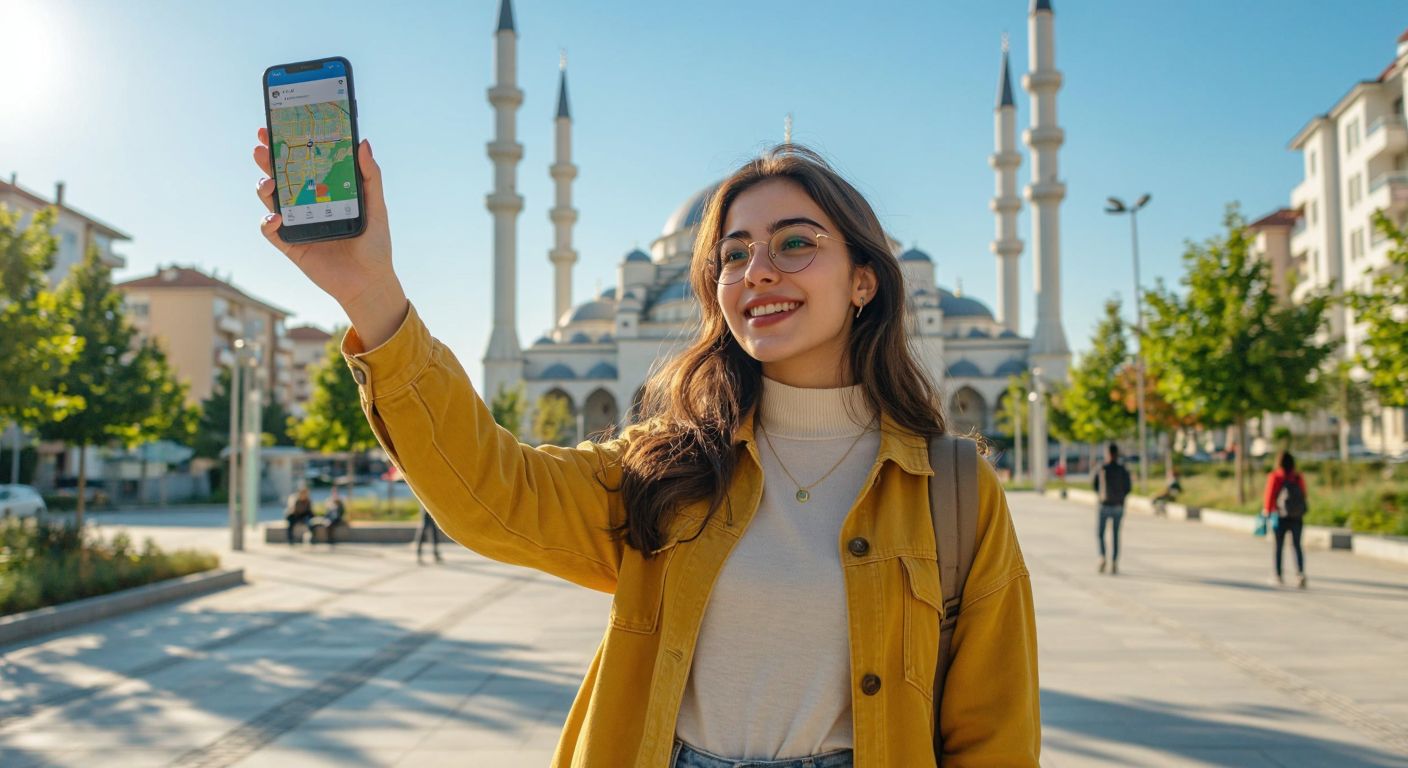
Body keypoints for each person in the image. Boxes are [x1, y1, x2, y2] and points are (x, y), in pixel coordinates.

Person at [253, 135, 1039, 766]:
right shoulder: (668, 468)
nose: (758, 270)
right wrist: (370, 294)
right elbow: (491, 493)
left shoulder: (951, 489)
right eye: (733, 254)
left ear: (865, 280)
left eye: (795, 244)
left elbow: (994, 731)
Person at [1261, 451, 1308, 589]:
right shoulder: (1298, 477)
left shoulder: (1275, 476)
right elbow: (1304, 494)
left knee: (1279, 547)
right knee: (1297, 546)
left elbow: (1269, 495)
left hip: (1280, 516)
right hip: (1297, 516)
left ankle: (1278, 575)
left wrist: (1267, 511)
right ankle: (1300, 574)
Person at [1092, 443, 1131, 574]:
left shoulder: (1102, 467)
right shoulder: (1122, 469)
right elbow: (1128, 487)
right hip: (1118, 506)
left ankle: (1102, 557)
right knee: (1115, 534)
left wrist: (1101, 495)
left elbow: (1095, 485)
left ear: (1107, 453)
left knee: (1100, 533)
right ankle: (1114, 562)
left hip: (1104, 504)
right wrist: (1121, 498)